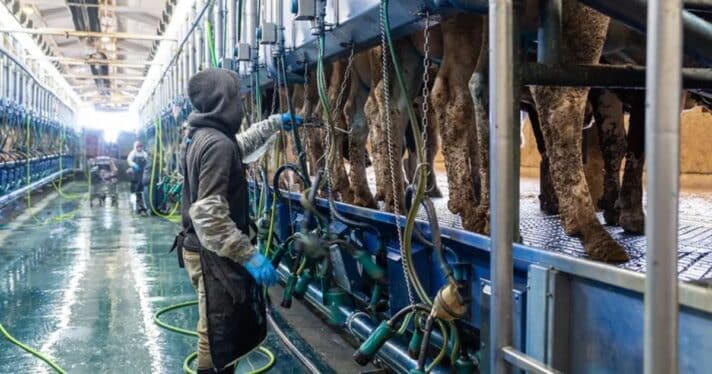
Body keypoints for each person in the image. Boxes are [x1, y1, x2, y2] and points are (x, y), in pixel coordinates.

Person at [176, 68, 302, 373]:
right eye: (237, 97)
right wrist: (249, 255)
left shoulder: (199, 135)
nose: (242, 103)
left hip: (200, 249)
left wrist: (273, 125)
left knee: (220, 327)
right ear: (223, 101)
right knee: (216, 334)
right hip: (211, 255)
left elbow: (238, 146)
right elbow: (208, 214)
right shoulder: (216, 144)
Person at [126, 141, 148, 214]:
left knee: (141, 188)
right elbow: (129, 160)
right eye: (138, 146)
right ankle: (135, 205)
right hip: (135, 174)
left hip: (143, 173)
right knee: (135, 188)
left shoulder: (144, 154)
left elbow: (147, 161)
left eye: (140, 146)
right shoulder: (133, 153)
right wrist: (134, 165)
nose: (139, 148)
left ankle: (141, 205)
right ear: (135, 147)